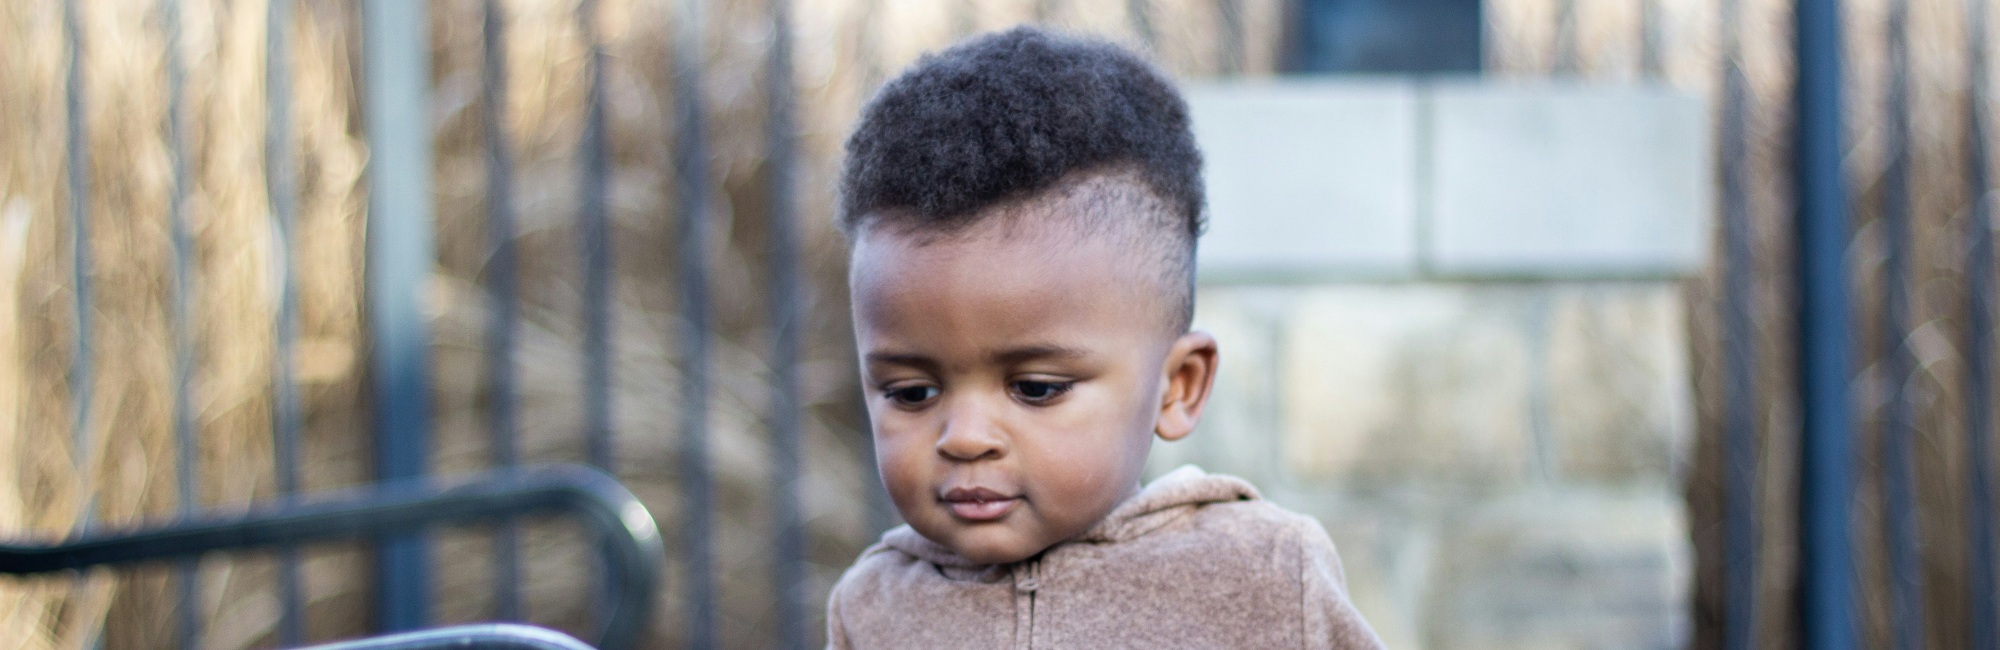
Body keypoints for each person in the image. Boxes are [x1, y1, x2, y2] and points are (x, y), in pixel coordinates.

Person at [825, 26, 1385, 649]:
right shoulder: (873, 607)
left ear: (1178, 387)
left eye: (1035, 388)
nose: (966, 438)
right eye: (912, 393)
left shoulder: (1268, 576)